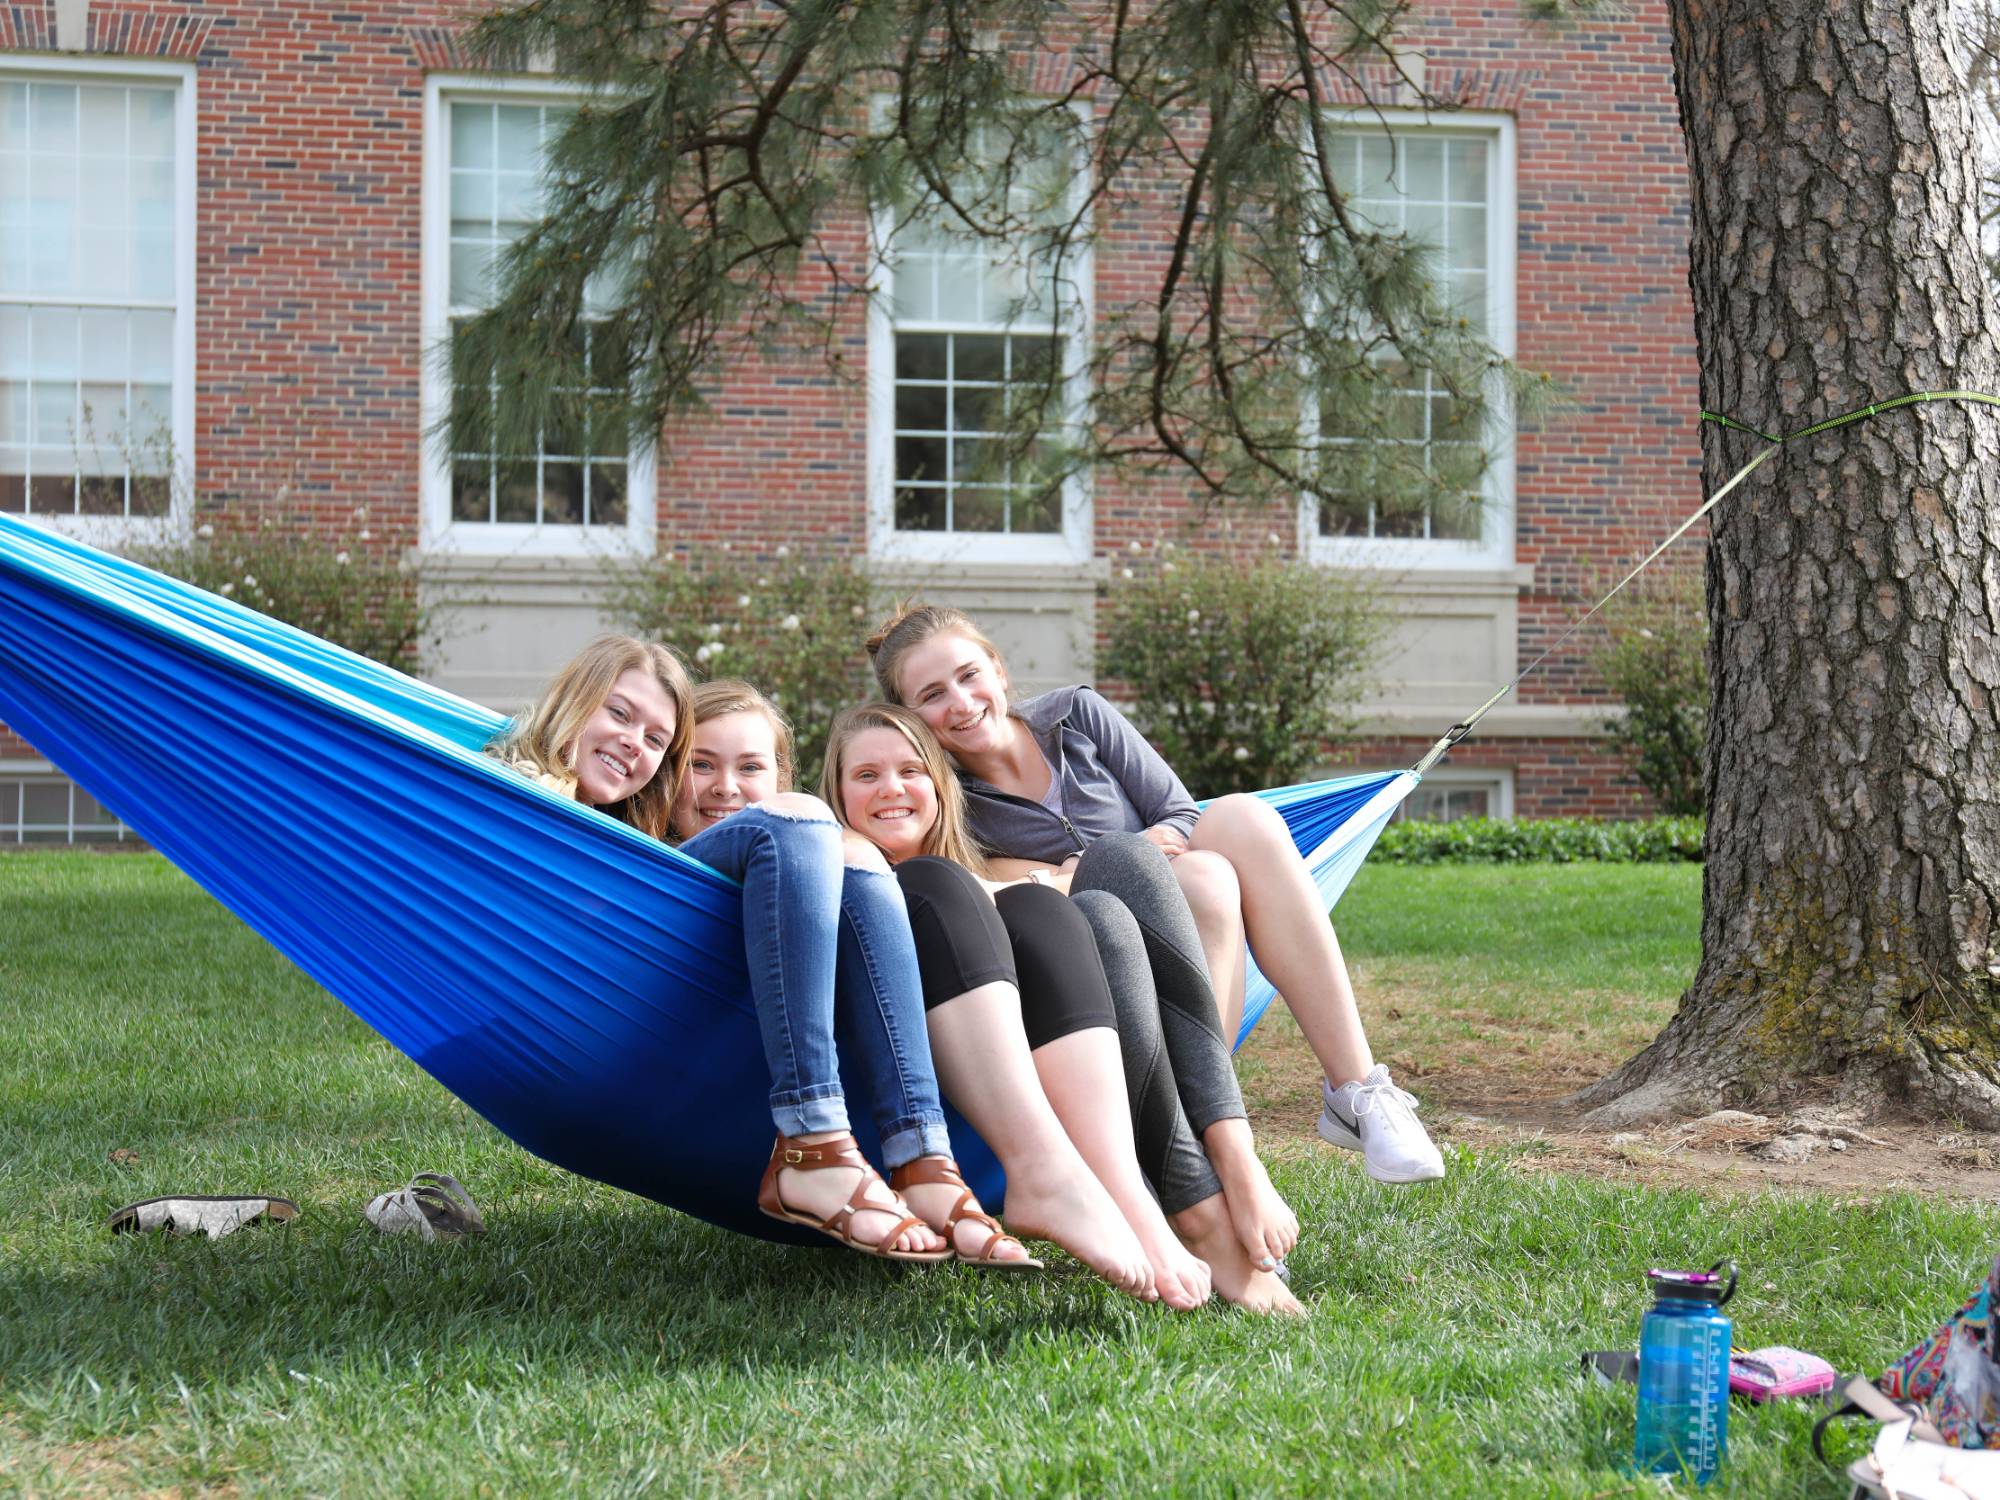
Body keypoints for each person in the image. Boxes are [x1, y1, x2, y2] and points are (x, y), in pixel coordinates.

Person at [866, 604, 1446, 1186]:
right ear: (908, 716)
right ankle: (1204, 1145)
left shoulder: (1076, 715)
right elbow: (1011, 892)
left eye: (969, 675)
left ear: (997, 669)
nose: (962, 703)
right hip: (1097, 961)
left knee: (1239, 822)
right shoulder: (946, 798)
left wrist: (1132, 850)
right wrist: (1113, 860)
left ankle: (1357, 1089)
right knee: (1204, 878)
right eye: (932, 695)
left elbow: (1180, 811)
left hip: (1191, 921)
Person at [665, 678, 1154, 1294]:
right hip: (730, 1027)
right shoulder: (774, 841)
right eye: (700, 764)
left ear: (781, 773)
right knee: (839, 847)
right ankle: (826, 1146)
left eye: (751, 766)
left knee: (1010, 905)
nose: (726, 786)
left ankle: (937, 1165)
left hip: (950, 1044)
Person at [488, 638, 963, 1264]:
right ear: (575, 703)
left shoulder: (628, 823)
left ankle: (922, 1156)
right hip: (583, 1017)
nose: (636, 743)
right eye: (620, 715)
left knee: (856, 866)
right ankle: (814, 1145)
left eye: (657, 740)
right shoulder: (511, 793)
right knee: (798, 821)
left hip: (661, 1012)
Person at [824, 702, 1304, 1314]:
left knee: (1109, 885)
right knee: (952, 885)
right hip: (943, 1074)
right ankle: (1195, 1204)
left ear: (940, 788)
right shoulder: (837, 859)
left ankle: (1211, 1169)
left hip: (1071, 1069)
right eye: (866, 776)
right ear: (836, 793)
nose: (891, 788)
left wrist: (1039, 886)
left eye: (910, 771)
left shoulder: (986, 867)